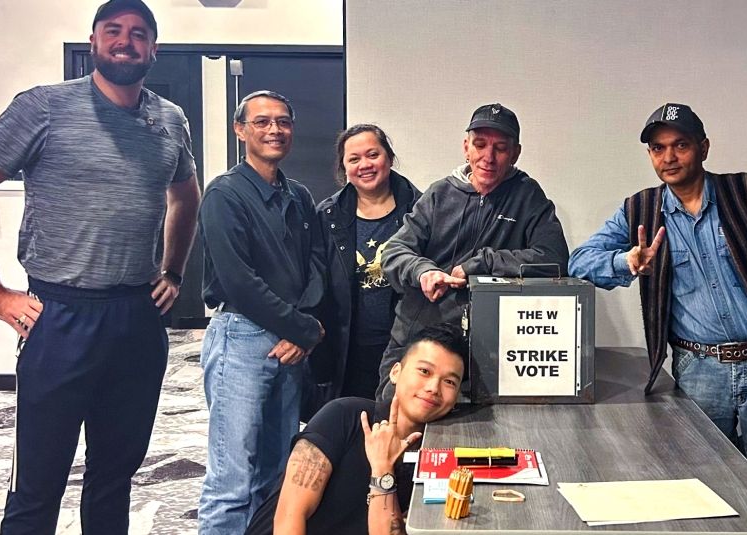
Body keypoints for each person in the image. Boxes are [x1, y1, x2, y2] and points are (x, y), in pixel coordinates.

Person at [0, 1, 200, 532]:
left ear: (154, 48)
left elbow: (186, 196)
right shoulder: (44, 108)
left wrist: (172, 270)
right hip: (58, 317)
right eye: (113, 31)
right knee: (38, 485)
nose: (125, 41)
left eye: (138, 33)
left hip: (136, 318)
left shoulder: (169, 120)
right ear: (93, 41)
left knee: (114, 479)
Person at [568, 103, 747, 464]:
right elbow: (579, 262)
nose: (669, 157)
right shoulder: (639, 210)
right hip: (698, 369)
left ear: (704, 148)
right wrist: (626, 261)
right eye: (658, 148)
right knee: (706, 477)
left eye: (681, 145)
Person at [376, 103, 570, 400]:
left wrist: (481, 264)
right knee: (394, 421)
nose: (488, 157)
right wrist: (423, 271)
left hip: (488, 351)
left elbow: (553, 258)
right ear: (466, 147)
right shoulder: (439, 194)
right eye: (480, 145)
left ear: (515, 153)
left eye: (500, 148)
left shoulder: (528, 196)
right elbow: (395, 250)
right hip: (418, 339)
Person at [198, 89, 325, 533]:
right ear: (240, 130)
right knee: (232, 479)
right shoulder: (224, 195)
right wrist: (302, 329)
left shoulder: (301, 197)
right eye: (262, 122)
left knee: (274, 475)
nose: (275, 130)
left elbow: (317, 265)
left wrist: (300, 329)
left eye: (283, 121)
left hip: (290, 344)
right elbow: (239, 282)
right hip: (242, 337)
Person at [244, 323, 466, 535]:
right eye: (424, 371)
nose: (433, 388)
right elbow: (289, 518)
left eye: (449, 382)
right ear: (396, 372)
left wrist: (382, 470)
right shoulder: (344, 416)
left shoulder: (435, 456)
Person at [307, 124, 421, 411]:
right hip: (347, 349)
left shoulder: (421, 209)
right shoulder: (327, 216)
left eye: (373, 154)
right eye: (354, 159)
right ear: (343, 167)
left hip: (405, 346)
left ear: (389, 157)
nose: (365, 165)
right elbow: (316, 283)